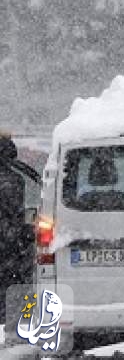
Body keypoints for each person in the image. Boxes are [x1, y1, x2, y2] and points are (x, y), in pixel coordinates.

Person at [0, 134, 32, 321]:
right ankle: (11, 319)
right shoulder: (14, 180)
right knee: (12, 283)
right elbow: (15, 213)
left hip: (7, 239)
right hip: (8, 242)